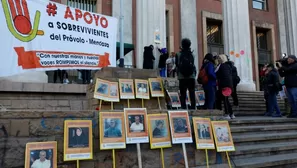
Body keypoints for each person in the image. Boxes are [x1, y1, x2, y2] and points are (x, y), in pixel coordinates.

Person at [175, 38, 196, 109]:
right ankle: (193, 106)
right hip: (191, 76)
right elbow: (193, 64)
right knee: (192, 92)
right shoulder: (192, 54)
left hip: (182, 77)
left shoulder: (178, 54)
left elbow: (177, 65)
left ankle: (183, 107)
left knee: (183, 93)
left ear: (182, 45)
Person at [215, 54, 234, 119]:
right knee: (226, 99)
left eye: (219, 58)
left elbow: (221, 75)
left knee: (225, 99)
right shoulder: (227, 66)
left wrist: (223, 85)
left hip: (224, 85)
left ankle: (227, 114)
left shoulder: (223, 66)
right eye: (218, 58)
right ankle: (231, 113)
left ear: (222, 59)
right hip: (228, 85)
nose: (218, 59)